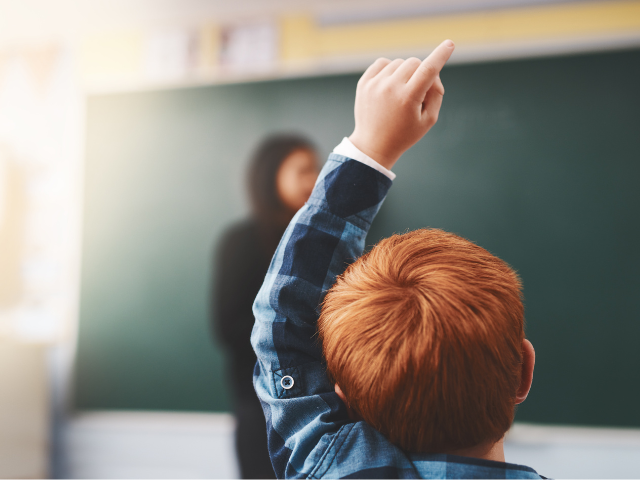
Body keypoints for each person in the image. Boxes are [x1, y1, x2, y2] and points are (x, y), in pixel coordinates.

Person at [251, 40, 542, 478]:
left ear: (343, 395)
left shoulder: (332, 469)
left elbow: (283, 328)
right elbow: (285, 336)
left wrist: (369, 149)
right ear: (523, 371)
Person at [211, 134, 319, 479]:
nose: (314, 180)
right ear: (272, 175)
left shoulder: (319, 241)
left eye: (316, 169)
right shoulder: (241, 241)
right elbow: (228, 327)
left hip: (320, 403)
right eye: (303, 170)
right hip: (259, 404)